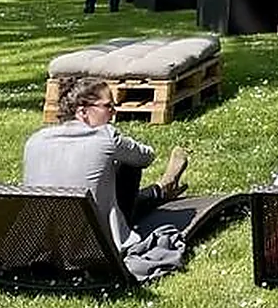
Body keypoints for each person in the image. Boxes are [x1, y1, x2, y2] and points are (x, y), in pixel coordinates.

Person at [23, 77, 189, 256]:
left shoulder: (35, 140)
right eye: (108, 106)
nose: (114, 112)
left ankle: (163, 189)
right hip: (95, 246)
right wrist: (115, 152)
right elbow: (145, 157)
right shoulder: (106, 137)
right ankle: (163, 188)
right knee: (128, 165)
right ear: (82, 111)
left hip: (41, 242)